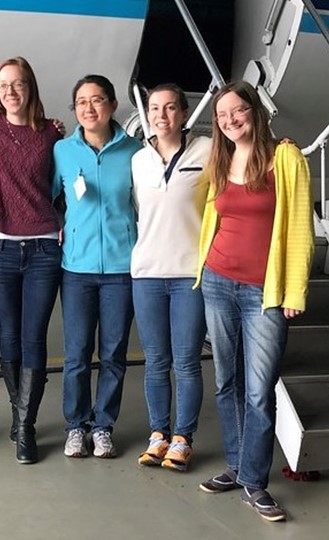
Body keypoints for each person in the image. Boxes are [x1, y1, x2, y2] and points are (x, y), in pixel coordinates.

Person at [195, 80, 314, 522]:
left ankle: (255, 482)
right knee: (227, 382)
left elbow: (300, 227)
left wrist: (294, 290)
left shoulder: (285, 157)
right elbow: (212, 216)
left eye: (237, 111)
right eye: (222, 115)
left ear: (254, 111)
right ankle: (237, 467)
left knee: (260, 390)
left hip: (264, 293)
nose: (230, 120)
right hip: (218, 281)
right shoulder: (221, 158)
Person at [0, 57, 63, 465]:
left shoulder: (52, 133)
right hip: (0, 247)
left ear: (31, 88)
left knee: (34, 337)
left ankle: (26, 426)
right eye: (3, 85)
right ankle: (18, 414)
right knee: (9, 334)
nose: (10, 91)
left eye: (18, 83)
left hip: (43, 246)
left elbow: (63, 183)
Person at [52, 74, 142, 459]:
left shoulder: (135, 152)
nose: (89, 108)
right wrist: (61, 226)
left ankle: (103, 425)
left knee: (113, 354)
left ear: (113, 105)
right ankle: (76, 425)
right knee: (76, 354)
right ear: (75, 109)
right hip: (77, 268)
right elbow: (45, 197)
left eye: (97, 100)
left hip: (122, 268)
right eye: (82, 102)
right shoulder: (62, 151)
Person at [131, 84, 211, 472]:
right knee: (156, 361)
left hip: (189, 275)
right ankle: (158, 434)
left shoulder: (208, 151)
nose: (161, 116)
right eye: (154, 109)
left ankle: (183, 438)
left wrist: (280, 146)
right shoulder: (138, 160)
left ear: (184, 113)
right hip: (147, 273)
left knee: (187, 362)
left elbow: (247, 159)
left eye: (169, 108)